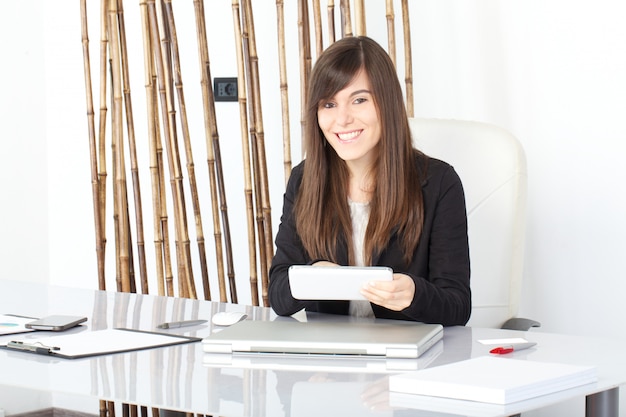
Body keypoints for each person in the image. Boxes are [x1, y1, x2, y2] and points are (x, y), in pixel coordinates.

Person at [268, 36, 471, 326]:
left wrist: (415, 294)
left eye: (359, 100)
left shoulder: (438, 183)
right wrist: (312, 276)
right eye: (329, 104)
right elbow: (278, 293)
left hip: (407, 361)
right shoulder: (305, 180)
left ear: (386, 103)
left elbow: (458, 306)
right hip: (328, 362)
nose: (342, 119)